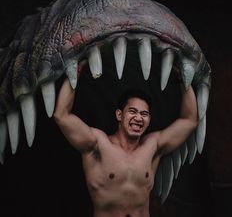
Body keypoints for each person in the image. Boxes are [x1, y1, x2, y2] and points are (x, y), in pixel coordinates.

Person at [53, 64, 198, 217]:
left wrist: (183, 79)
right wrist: (76, 70)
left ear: (149, 119)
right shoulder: (97, 144)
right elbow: (61, 115)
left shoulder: (153, 146)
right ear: (119, 115)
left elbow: (189, 121)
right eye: (132, 111)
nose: (138, 118)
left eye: (144, 114)